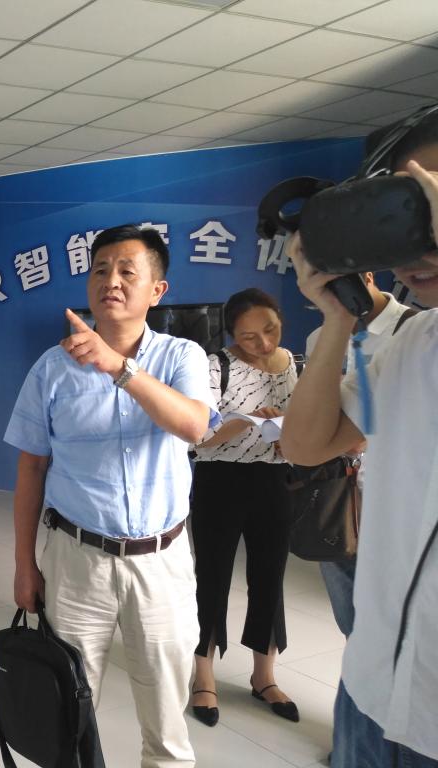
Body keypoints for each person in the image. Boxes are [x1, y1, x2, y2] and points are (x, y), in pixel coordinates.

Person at [5, 223, 218, 768]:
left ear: (157, 290)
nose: (111, 281)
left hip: (161, 563)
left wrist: (119, 368)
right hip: (77, 561)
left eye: (127, 271)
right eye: (100, 270)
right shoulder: (52, 368)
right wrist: (25, 564)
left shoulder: (183, 357)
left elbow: (194, 426)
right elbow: (31, 468)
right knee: (67, 720)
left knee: (167, 727)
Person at [281, 149, 438, 768]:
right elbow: (306, 444)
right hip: (373, 683)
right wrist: (337, 318)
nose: (414, 247)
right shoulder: (408, 343)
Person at [189, 288, 299, 727]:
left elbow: (301, 427)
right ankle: (203, 675)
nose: (264, 343)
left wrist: (287, 435)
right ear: (231, 334)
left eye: (270, 330)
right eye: (249, 337)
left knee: (270, 577)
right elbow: (197, 439)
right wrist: (245, 422)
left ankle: (264, 675)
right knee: (212, 578)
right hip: (220, 481)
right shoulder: (214, 366)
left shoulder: (293, 363)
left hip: (274, 481)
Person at [304, 273, 412, 638]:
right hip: (336, 491)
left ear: (366, 276)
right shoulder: (320, 338)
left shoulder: (412, 332)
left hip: (397, 506)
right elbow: (312, 432)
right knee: (351, 619)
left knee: (398, 624)